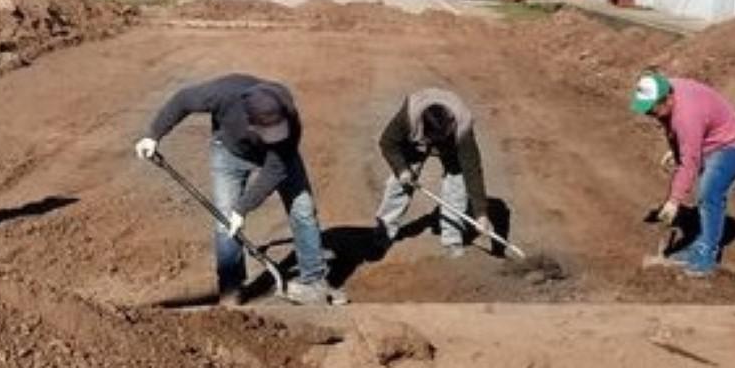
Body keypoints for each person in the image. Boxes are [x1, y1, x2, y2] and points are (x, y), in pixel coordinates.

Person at [134, 74, 337, 305]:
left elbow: (275, 169)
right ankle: (231, 289)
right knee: (225, 224)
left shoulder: (288, 117)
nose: (273, 134)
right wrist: (153, 136)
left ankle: (314, 280)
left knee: (303, 210)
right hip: (230, 153)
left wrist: (242, 209)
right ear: (250, 121)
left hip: (279, 159)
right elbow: (183, 100)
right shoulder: (225, 93)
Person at [630, 71, 735, 277]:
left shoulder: (686, 115)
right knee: (704, 194)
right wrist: (678, 148)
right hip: (707, 139)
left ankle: (706, 257)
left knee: (709, 194)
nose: (649, 114)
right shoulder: (669, 93)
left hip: (731, 145)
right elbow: (673, 128)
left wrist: (674, 201)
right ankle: (698, 245)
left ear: (667, 99)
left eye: (651, 109)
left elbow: (689, 163)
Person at [374, 88, 491, 257]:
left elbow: (472, 170)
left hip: (452, 146)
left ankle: (452, 238)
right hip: (416, 142)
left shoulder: (462, 127)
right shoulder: (408, 117)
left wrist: (481, 214)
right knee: (399, 184)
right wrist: (402, 170)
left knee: (457, 184)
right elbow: (387, 143)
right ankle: (383, 232)